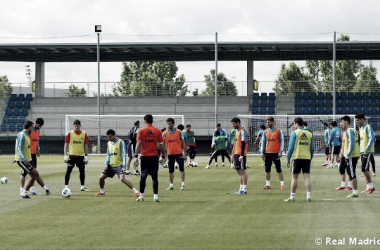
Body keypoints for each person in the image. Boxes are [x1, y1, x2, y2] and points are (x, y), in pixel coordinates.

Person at [95, 129, 140, 197]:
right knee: (101, 178)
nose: (108, 138)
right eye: (107, 137)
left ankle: (136, 192)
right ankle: (102, 191)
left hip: (119, 165)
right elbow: (108, 154)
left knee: (122, 179)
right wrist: (106, 163)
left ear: (114, 135)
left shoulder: (120, 142)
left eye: (110, 137)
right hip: (110, 165)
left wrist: (124, 166)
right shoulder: (109, 143)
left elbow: (124, 154)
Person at [15, 120, 50, 199]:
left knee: (35, 174)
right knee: (32, 174)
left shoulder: (27, 135)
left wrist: (37, 150)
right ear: (29, 127)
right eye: (31, 127)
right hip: (23, 160)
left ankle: (27, 191)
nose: (33, 128)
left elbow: (28, 147)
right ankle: (23, 193)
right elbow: (18, 148)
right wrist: (22, 159)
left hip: (29, 159)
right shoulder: (22, 135)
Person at [135, 114, 165, 202]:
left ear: (145, 121)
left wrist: (136, 156)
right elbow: (162, 145)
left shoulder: (141, 131)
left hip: (144, 157)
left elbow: (138, 144)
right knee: (155, 177)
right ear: (152, 120)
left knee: (143, 177)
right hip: (154, 157)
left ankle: (141, 196)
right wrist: (163, 156)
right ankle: (155, 197)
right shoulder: (157, 131)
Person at [285, 117, 314, 202]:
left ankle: (292, 196)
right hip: (306, 158)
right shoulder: (309, 133)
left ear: (296, 124)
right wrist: (310, 157)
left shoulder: (295, 133)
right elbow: (312, 148)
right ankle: (308, 196)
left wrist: (288, 158)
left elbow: (290, 147)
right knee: (307, 177)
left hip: (297, 157)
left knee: (294, 178)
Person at [20, 117, 44, 195]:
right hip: (27, 154)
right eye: (38, 125)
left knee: (34, 172)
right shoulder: (28, 131)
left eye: (41, 126)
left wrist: (38, 150)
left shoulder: (38, 131)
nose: (39, 127)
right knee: (24, 173)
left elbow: (37, 141)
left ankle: (32, 189)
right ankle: (22, 189)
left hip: (33, 154)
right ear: (35, 123)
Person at [63, 119, 90, 192]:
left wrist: (86, 155)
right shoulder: (69, 133)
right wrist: (65, 154)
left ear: (80, 126)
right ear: (73, 126)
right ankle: (66, 186)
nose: (76, 127)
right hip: (72, 155)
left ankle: (82, 186)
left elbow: (85, 145)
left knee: (82, 171)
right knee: (69, 171)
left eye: (78, 126)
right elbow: (66, 144)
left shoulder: (84, 134)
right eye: (75, 126)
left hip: (81, 155)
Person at [260, 116, 285, 190]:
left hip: (276, 153)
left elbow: (282, 141)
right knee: (267, 169)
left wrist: (281, 151)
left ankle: (282, 184)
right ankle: (267, 185)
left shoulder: (278, 131)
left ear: (273, 122)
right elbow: (263, 142)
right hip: (267, 153)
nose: (268, 123)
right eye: (267, 122)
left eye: (269, 122)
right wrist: (262, 152)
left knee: (278, 169)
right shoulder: (266, 131)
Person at [338, 116, 360, 198]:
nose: (341, 123)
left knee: (352, 173)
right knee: (350, 172)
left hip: (351, 155)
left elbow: (351, 143)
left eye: (342, 122)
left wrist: (348, 154)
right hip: (353, 154)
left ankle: (355, 192)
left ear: (347, 122)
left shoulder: (349, 131)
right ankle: (353, 190)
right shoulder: (352, 131)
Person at [163, 118, 187, 190]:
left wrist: (185, 154)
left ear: (173, 124)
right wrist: (165, 152)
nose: (169, 125)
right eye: (168, 124)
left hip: (179, 153)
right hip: (170, 154)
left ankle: (183, 184)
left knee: (181, 169)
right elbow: (162, 143)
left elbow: (183, 143)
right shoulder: (164, 133)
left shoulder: (179, 132)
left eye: (170, 124)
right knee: (170, 170)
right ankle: (171, 185)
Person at [355, 113, 375, 194]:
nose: (356, 122)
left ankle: (371, 186)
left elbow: (371, 138)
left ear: (362, 119)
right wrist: (360, 151)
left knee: (364, 168)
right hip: (363, 152)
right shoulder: (361, 128)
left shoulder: (368, 127)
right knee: (365, 169)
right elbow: (361, 141)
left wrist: (366, 149)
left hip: (368, 151)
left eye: (357, 120)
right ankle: (368, 187)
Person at [231, 117, 248, 195]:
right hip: (236, 153)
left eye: (234, 124)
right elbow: (235, 144)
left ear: (238, 123)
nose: (233, 125)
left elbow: (243, 143)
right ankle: (241, 188)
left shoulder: (243, 132)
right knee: (238, 171)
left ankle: (244, 189)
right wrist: (233, 154)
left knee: (242, 171)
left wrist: (241, 155)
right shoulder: (237, 132)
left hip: (241, 154)